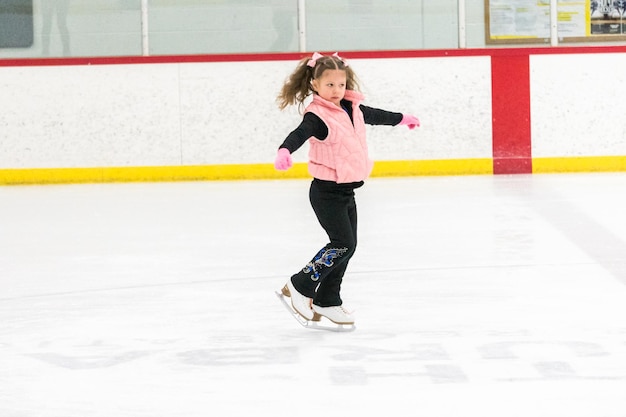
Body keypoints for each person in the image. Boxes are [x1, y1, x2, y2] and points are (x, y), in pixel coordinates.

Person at [274, 52, 420, 325]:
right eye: (329, 85)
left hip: (346, 191)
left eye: (340, 85)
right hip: (326, 192)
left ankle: (328, 301)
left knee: (348, 246)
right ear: (315, 84)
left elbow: (377, 115)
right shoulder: (317, 116)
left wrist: (403, 118)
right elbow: (299, 134)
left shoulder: (352, 109)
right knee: (342, 244)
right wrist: (285, 150)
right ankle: (299, 285)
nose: (336, 90)